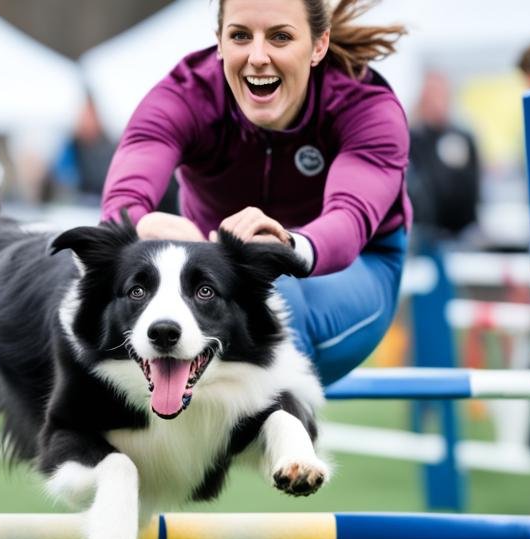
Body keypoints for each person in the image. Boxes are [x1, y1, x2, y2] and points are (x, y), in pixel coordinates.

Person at [100, 0, 408, 385]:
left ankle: (286, 436)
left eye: (280, 37)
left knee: (278, 298)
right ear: (219, 42)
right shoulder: (186, 93)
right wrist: (140, 224)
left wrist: (286, 246)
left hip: (357, 263)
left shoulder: (365, 104)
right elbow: (122, 201)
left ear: (318, 45)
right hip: (213, 269)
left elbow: (348, 222)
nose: (257, 57)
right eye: (241, 36)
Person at [407, 70, 480, 242]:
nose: (437, 102)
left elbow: (473, 184)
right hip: (425, 233)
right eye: (432, 96)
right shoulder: (413, 138)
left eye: (441, 95)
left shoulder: (462, 136)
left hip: (462, 232)